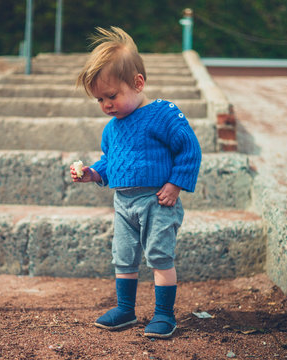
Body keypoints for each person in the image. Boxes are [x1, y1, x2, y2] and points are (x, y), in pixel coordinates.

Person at [70, 26, 202, 339]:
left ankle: (164, 315)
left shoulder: (163, 114)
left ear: (138, 83)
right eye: (99, 99)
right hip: (123, 203)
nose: (106, 105)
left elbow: (189, 149)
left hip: (157, 200)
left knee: (159, 255)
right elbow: (110, 162)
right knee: (124, 256)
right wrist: (92, 173)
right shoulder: (111, 129)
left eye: (111, 96)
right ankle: (125, 309)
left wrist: (175, 184)